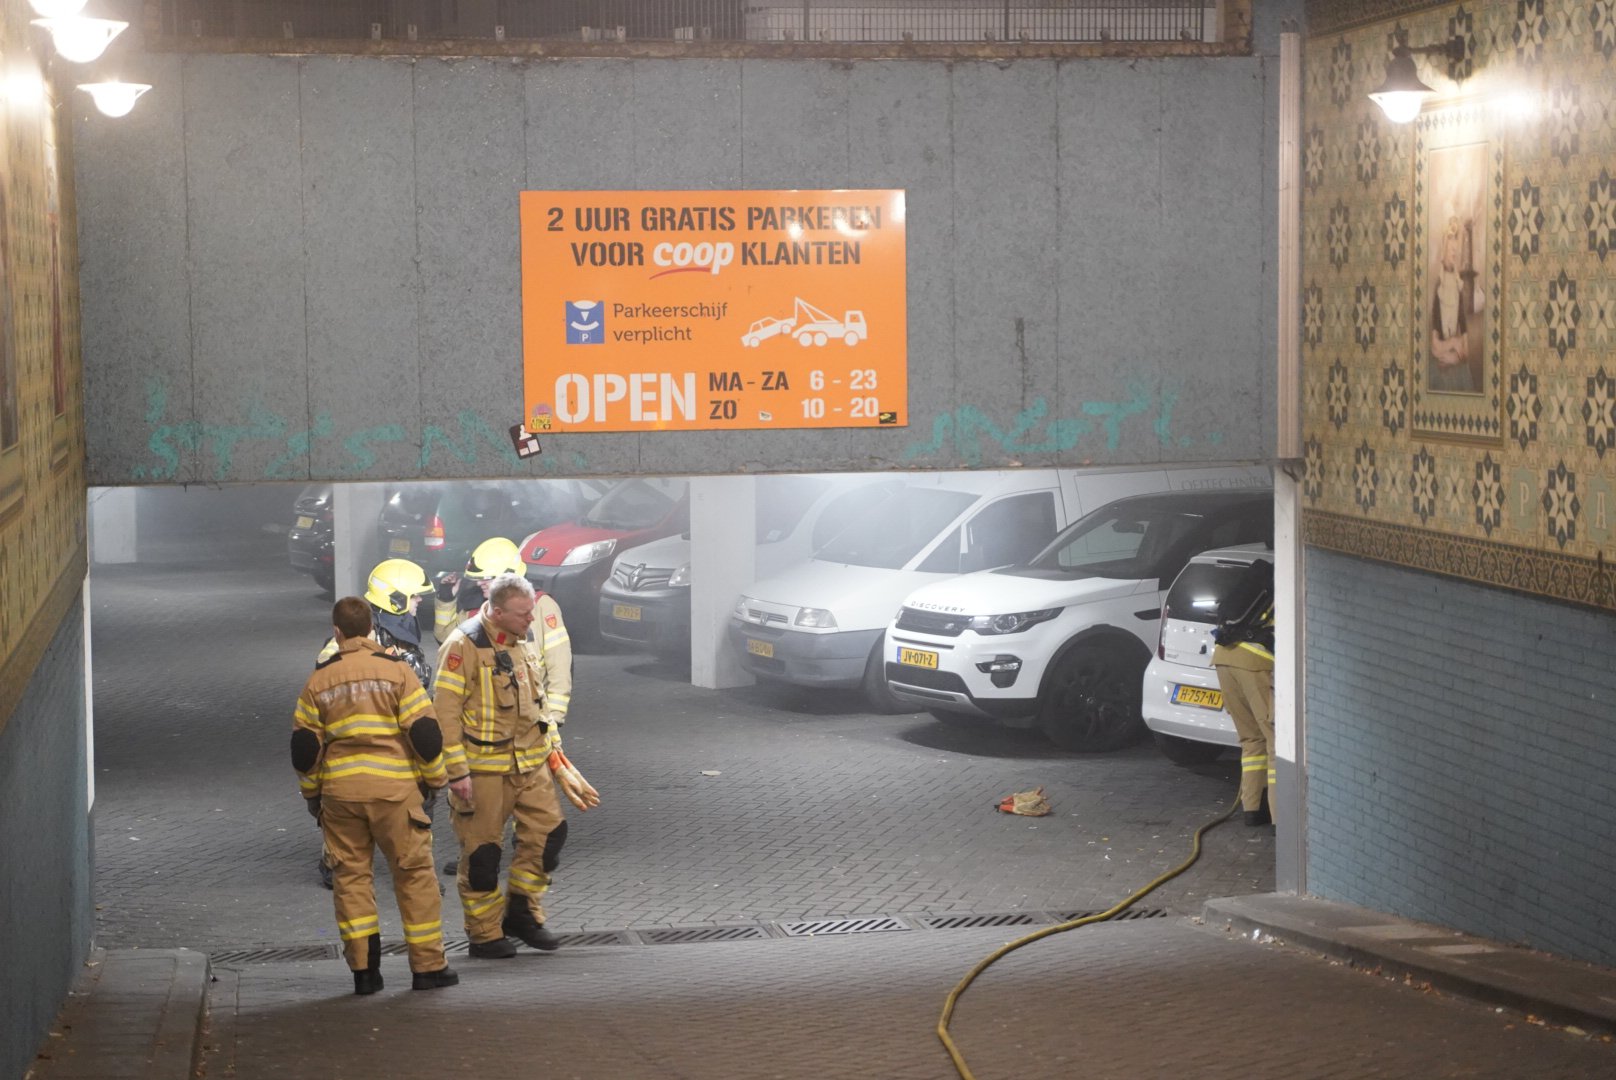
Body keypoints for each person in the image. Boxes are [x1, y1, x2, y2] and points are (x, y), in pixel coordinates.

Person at [291, 596, 462, 994]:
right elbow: (425, 734)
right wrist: (435, 781)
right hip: (395, 794)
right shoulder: (398, 671)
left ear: (337, 632)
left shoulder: (319, 680)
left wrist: (312, 795)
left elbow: (304, 749)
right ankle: (427, 968)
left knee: (351, 880)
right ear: (371, 628)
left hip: (341, 796)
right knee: (415, 876)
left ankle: (365, 973)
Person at [433, 573, 598, 959]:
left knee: (549, 835)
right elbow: (445, 713)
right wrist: (457, 773)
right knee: (483, 855)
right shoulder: (463, 645)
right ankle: (485, 934)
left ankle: (522, 911)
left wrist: (554, 754)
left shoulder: (520, 641)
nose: (530, 620)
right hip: (484, 771)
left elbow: (536, 703)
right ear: (496, 610)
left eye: (531, 613)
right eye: (523, 614)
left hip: (531, 762)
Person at [313, 558, 437, 889]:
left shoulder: (400, 629)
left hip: (401, 740)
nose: (419, 601)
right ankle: (336, 863)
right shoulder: (352, 642)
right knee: (351, 813)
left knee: (420, 805)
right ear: (395, 599)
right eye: (414, 596)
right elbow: (326, 684)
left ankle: (414, 867)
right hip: (363, 747)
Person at [1211, 559, 1276, 827]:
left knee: (1251, 738)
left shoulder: (1252, 585)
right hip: (1255, 663)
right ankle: (1279, 818)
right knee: (1276, 741)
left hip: (1224, 658)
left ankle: (1252, 809)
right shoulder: (1283, 586)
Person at [433, 537, 528, 644]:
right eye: (479, 579)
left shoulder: (539, 607)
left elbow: (550, 656)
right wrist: (446, 599)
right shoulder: (475, 610)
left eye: (487, 578)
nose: (479, 583)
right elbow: (447, 640)